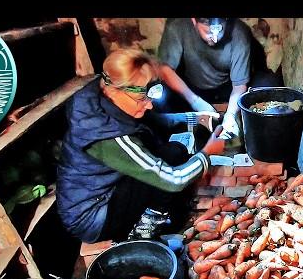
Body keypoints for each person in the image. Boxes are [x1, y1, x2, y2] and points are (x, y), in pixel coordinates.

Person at [56, 48, 226, 244]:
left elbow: (155, 121)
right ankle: (144, 230)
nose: (149, 105)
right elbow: (173, 180)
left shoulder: (104, 96)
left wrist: (198, 118)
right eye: (142, 100)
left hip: (103, 193)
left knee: (174, 150)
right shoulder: (108, 135)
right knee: (171, 158)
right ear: (114, 90)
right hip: (92, 217)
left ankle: (155, 214)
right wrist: (207, 153)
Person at [156, 18, 283, 137]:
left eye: (220, 30)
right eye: (208, 32)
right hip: (191, 86)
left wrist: (231, 115)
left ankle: (256, 148)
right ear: (194, 20)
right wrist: (196, 102)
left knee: (268, 83)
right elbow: (165, 69)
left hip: (226, 87)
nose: (215, 38)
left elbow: (239, 86)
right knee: (157, 92)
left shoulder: (238, 31)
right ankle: (174, 147)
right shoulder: (178, 25)